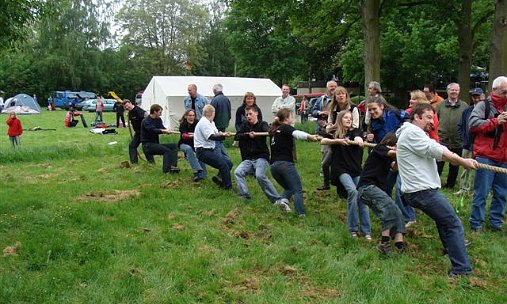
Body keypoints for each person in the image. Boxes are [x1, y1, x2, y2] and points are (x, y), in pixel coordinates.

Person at [397, 103, 477, 277]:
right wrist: (463, 162)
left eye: (432, 118)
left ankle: (451, 248)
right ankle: (462, 270)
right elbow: (437, 149)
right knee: (452, 223)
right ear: (416, 117)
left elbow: (435, 150)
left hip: (418, 191)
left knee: (444, 221)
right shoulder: (412, 133)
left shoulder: (413, 132)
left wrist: (456, 159)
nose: (431, 122)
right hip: (422, 191)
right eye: (427, 117)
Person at [321, 110, 371, 239]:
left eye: (350, 118)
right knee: (352, 192)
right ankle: (353, 229)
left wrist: (359, 140)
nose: (349, 119)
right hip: (341, 169)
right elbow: (323, 140)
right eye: (345, 118)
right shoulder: (334, 133)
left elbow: (359, 137)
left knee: (362, 196)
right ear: (340, 119)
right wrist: (337, 141)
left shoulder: (356, 131)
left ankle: (366, 231)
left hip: (355, 169)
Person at [469, 76, 507, 233]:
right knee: (482, 192)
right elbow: (473, 124)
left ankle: (496, 223)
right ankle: (476, 223)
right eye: (505, 92)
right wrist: (495, 121)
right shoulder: (482, 105)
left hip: (504, 157)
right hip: (486, 156)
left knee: (502, 194)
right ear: (494, 90)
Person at [357, 133, 406, 254]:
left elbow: (394, 168)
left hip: (376, 189)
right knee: (388, 207)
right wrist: (405, 150)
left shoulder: (389, 156)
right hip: (367, 187)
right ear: (390, 142)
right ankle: (384, 243)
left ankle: (399, 245)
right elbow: (392, 153)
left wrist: (400, 159)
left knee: (396, 210)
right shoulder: (379, 148)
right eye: (395, 145)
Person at [269, 108, 320, 217]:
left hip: (273, 167)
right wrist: (310, 136)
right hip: (285, 164)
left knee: (289, 187)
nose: (292, 118)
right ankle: (300, 213)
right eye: (291, 116)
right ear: (286, 118)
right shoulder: (285, 127)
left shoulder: (273, 131)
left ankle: (283, 201)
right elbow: (297, 133)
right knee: (297, 189)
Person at [234, 106, 281, 203]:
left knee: (259, 175)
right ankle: (245, 196)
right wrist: (247, 135)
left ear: (256, 114)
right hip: (248, 159)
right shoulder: (244, 125)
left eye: (250, 114)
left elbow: (268, 131)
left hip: (261, 157)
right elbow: (237, 136)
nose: (248, 116)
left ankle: (276, 199)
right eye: (247, 114)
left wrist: (260, 133)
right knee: (237, 172)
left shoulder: (262, 124)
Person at [435, 83, 468, 189]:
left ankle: (450, 185)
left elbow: (467, 123)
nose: (454, 92)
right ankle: (435, 183)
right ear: (447, 91)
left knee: (454, 164)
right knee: (439, 163)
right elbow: (435, 120)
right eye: (452, 90)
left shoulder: (464, 106)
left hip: (458, 140)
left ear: (459, 91)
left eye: (456, 90)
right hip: (442, 139)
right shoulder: (440, 105)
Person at [194, 104, 234, 189]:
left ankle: (220, 179)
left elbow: (216, 133)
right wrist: (223, 136)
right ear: (212, 113)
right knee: (223, 165)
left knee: (228, 163)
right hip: (203, 151)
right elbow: (211, 136)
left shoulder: (211, 122)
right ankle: (228, 187)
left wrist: (223, 133)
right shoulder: (204, 122)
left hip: (210, 149)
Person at [455, 87, 484, 196]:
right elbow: (460, 126)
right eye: (474, 97)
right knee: (465, 167)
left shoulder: (487, 110)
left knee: (480, 169)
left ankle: (478, 191)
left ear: (483, 96)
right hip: (467, 145)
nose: (476, 99)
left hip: (481, 146)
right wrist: (464, 139)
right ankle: (464, 189)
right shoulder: (467, 110)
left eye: (478, 96)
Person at [312, 80, 338, 191]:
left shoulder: (339, 99)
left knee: (336, 153)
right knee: (324, 152)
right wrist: (320, 113)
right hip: (323, 131)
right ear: (327, 88)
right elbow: (313, 111)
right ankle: (325, 177)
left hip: (336, 130)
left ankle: (335, 176)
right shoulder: (321, 99)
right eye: (331, 86)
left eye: (335, 86)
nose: (333, 88)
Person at [140, 104, 180, 174]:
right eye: (160, 112)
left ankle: (173, 167)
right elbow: (153, 130)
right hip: (147, 145)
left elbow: (161, 128)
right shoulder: (146, 121)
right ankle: (166, 171)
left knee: (174, 146)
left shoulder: (158, 119)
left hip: (155, 144)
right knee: (167, 151)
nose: (161, 114)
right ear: (154, 112)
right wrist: (162, 131)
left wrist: (167, 131)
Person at [178, 109, 207, 182]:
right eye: (190, 115)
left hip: (195, 144)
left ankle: (202, 175)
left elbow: (202, 133)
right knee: (188, 149)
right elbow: (184, 136)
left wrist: (194, 135)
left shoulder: (197, 123)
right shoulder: (183, 124)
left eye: (193, 115)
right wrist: (194, 135)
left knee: (200, 152)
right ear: (186, 116)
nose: (192, 117)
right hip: (183, 144)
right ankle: (196, 171)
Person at [210, 84, 232, 165]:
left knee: (217, 143)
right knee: (220, 142)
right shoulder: (226, 99)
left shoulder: (215, 100)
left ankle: (226, 160)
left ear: (215, 91)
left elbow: (211, 113)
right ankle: (225, 159)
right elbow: (229, 113)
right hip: (224, 124)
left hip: (216, 125)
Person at [124, 99, 150, 164]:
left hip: (144, 133)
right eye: (125, 107)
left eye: (127, 105)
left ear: (130, 103)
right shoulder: (130, 113)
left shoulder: (138, 110)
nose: (127, 107)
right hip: (138, 133)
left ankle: (151, 162)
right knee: (132, 146)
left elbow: (147, 117)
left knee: (146, 147)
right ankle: (134, 163)